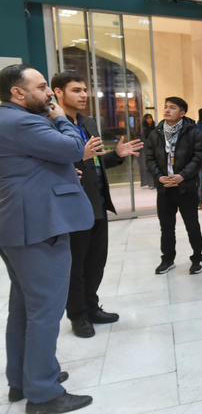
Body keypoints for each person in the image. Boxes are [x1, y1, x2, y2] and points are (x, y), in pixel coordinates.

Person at [0, 64, 94, 413]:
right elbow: (73, 148)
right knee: (45, 311)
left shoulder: (7, 120)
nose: (50, 94)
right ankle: (43, 393)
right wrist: (60, 117)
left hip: (18, 226)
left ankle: (22, 380)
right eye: (42, 88)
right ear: (18, 93)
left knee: (25, 308)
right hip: (38, 227)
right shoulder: (22, 121)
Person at [52, 72, 143, 338]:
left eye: (84, 90)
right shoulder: (50, 123)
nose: (83, 95)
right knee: (76, 265)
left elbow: (94, 161)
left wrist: (116, 156)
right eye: (76, 90)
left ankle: (92, 307)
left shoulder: (88, 121)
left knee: (96, 262)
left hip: (97, 202)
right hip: (72, 206)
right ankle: (77, 315)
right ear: (58, 92)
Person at [145, 97, 202, 275]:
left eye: (172, 108)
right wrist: (159, 177)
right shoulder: (156, 133)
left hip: (186, 187)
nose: (167, 110)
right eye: (165, 107)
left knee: (192, 224)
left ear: (182, 113)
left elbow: (199, 157)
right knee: (166, 226)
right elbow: (149, 158)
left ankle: (197, 258)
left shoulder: (193, 132)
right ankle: (168, 259)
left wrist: (182, 176)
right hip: (165, 188)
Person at [140, 114, 156, 188]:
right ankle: (149, 182)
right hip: (145, 150)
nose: (149, 120)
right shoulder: (142, 129)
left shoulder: (155, 128)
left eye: (150, 118)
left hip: (154, 148)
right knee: (147, 165)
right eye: (147, 118)